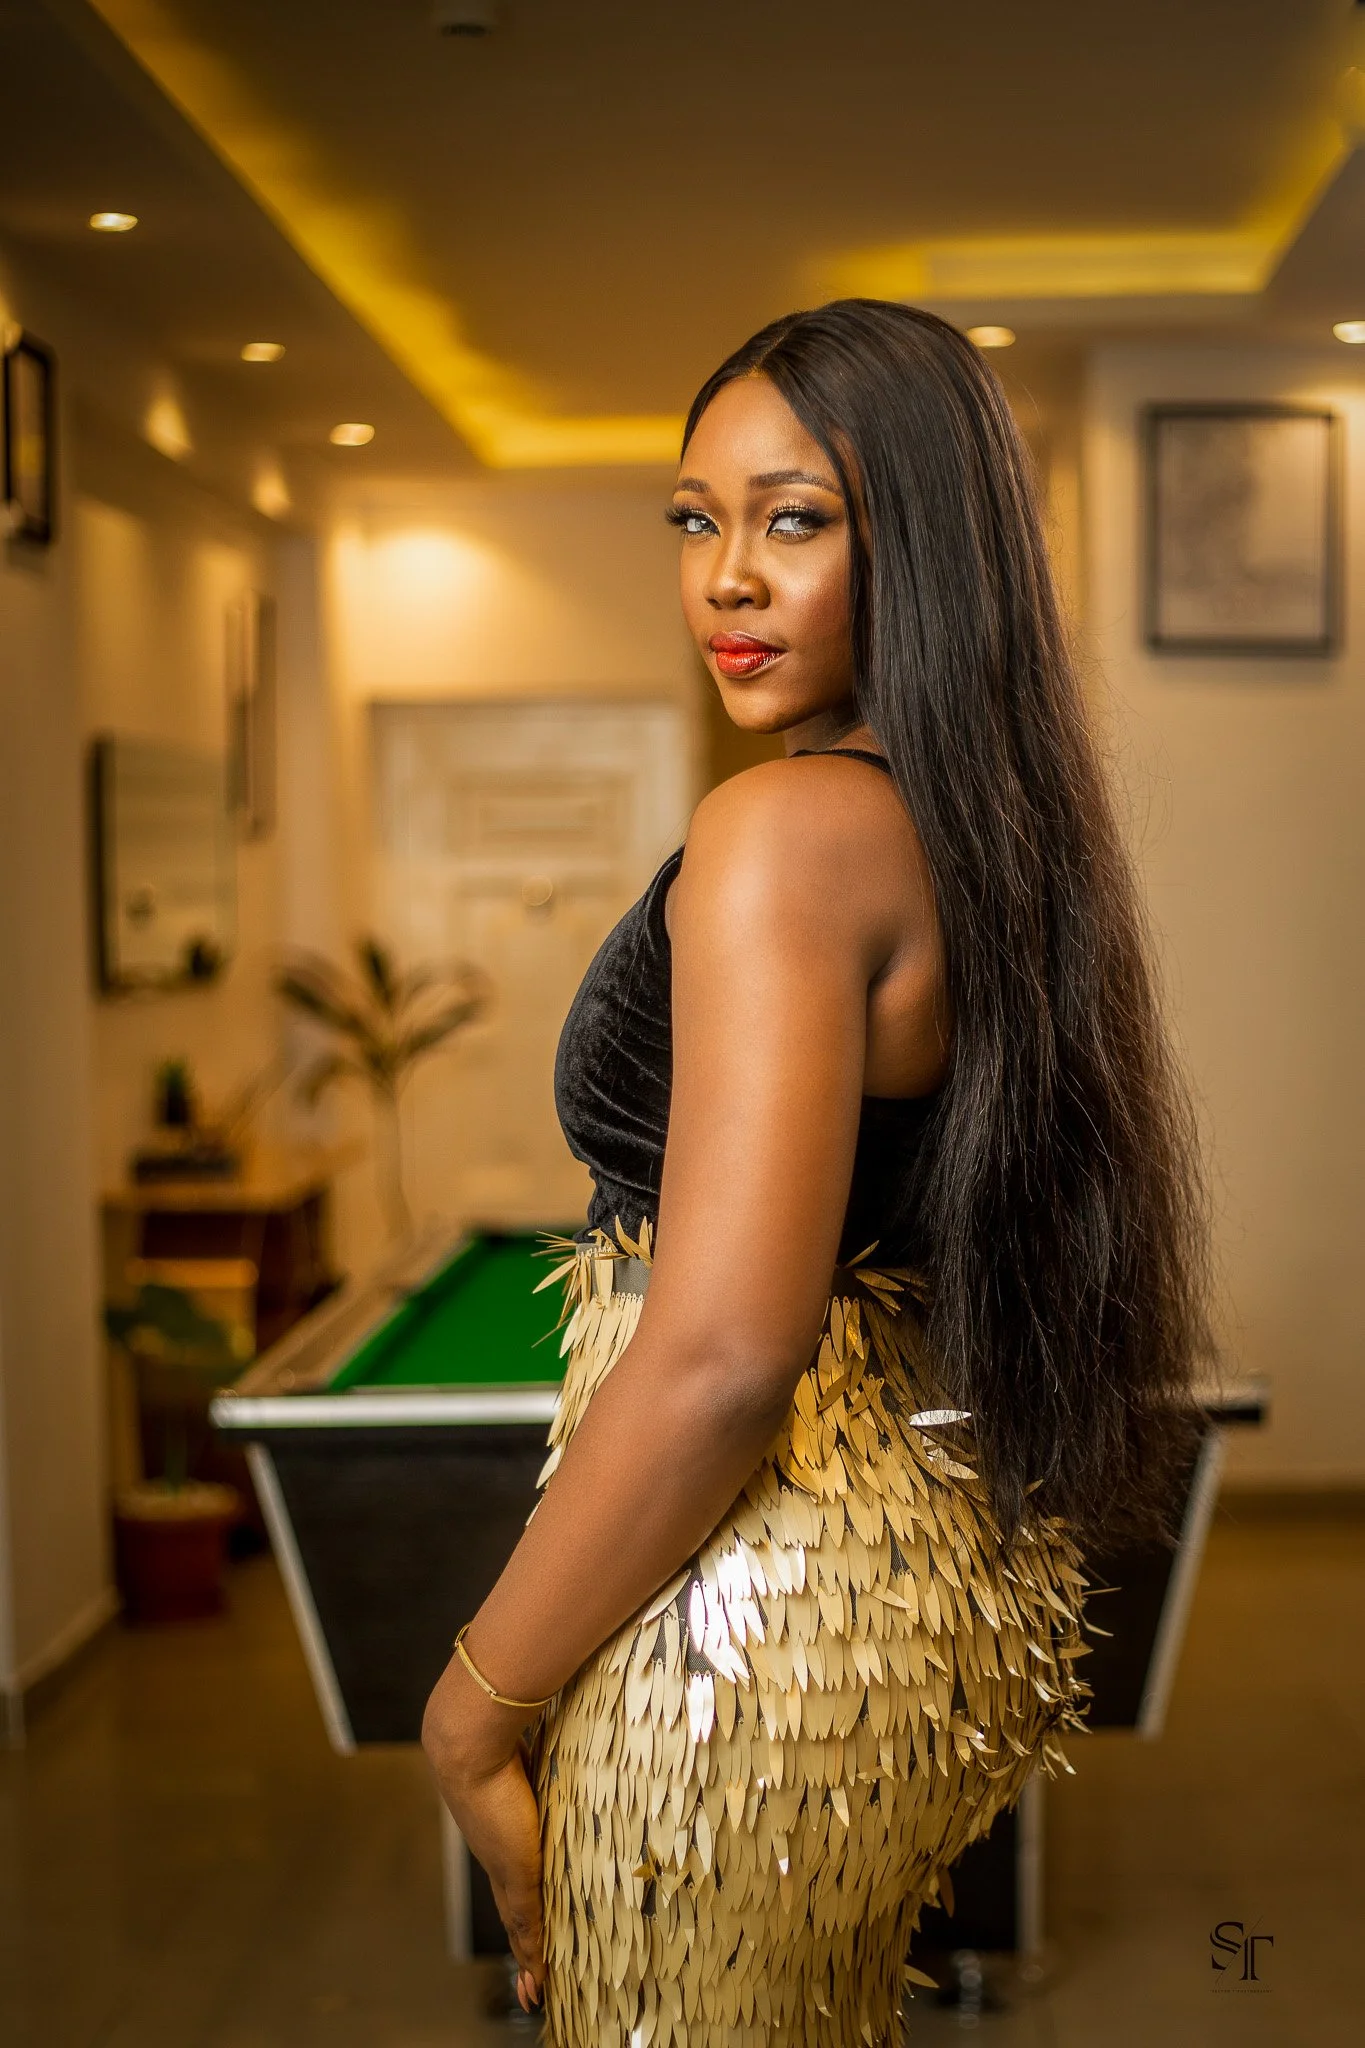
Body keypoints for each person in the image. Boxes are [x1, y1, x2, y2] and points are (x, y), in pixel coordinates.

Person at [421, 299, 1207, 2046]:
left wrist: (472, 1708)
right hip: (876, 1606)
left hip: (748, 1624)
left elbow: (721, 1350)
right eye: (696, 520)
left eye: (795, 519)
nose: (726, 579)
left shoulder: (787, 834)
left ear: (919, 542)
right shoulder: (969, 819)